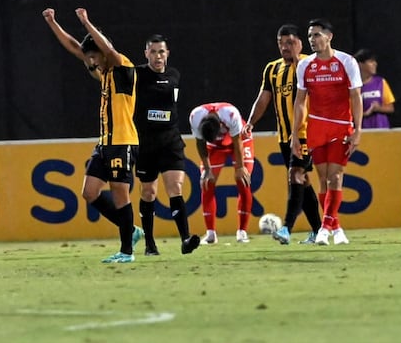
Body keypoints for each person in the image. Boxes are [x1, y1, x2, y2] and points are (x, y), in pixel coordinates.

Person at [43, 7, 143, 263]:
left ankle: (127, 251)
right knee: (89, 192)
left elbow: (108, 50)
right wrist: (53, 23)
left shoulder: (122, 67)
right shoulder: (106, 74)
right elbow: (77, 48)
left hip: (123, 142)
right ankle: (131, 230)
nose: (92, 63)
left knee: (120, 192)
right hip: (105, 143)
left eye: (94, 58)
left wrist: (86, 22)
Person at [243, 24, 323, 245]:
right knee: (303, 181)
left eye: (290, 43)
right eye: (281, 43)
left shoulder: (310, 64)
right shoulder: (272, 69)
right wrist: (250, 123)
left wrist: (298, 59)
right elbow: (264, 97)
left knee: (295, 174)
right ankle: (318, 230)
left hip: (306, 133)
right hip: (284, 136)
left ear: (299, 42)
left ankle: (287, 227)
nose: (285, 47)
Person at [291, 19, 363, 246]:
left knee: (335, 176)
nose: (313, 40)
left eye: (317, 35)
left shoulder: (346, 61)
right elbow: (300, 101)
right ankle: (336, 227)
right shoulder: (305, 66)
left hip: (341, 125)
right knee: (322, 179)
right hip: (316, 126)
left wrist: (358, 130)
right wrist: (295, 133)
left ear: (329, 36)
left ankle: (324, 227)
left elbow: (355, 96)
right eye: (310, 36)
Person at [134, 34, 200, 256]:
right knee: (148, 191)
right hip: (146, 143)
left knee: (176, 188)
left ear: (167, 53)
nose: (157, 56)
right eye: (153, 52)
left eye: (161, 51)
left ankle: (185, 239)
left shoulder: (174, 75)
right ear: (146, 54)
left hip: (170, 141)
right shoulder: (138, 75)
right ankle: (149, 243)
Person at [189, 102, 254, 244]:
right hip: (214, 148)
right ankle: (211, 233)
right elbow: (200, 144)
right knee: (207, 183)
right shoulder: (195, 116)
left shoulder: (231, 114)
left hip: (239, 140)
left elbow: (238, 142)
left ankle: (242, 231)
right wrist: (207, 170)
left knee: (243, 181)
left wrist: (239, 168)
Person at [354, 48, 395, 129]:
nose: (375, 64)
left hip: (381, 128)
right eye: (371, 61)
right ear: (360, 64)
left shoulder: (380, 82)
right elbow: (349, 110)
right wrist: (365, 113)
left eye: (375, 61)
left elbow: (391, 108)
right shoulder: (353, 86)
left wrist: (378, 108)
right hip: (362, 130)